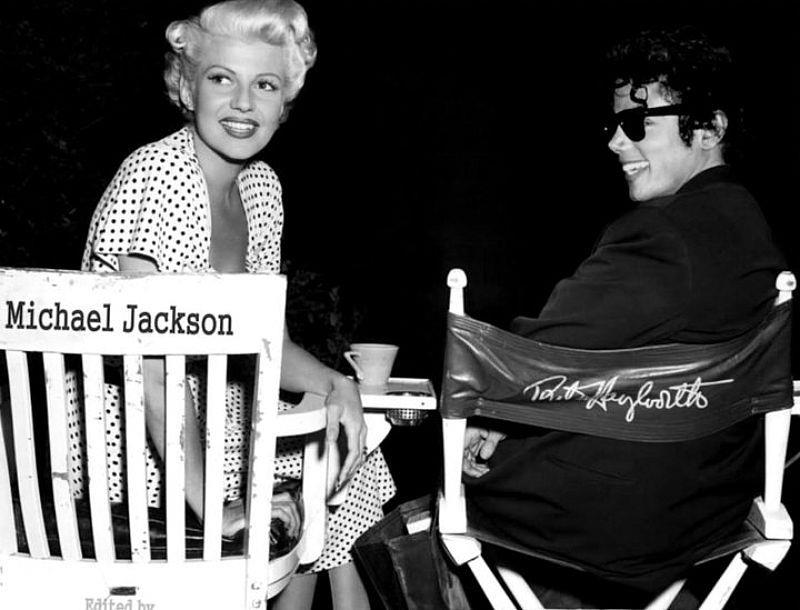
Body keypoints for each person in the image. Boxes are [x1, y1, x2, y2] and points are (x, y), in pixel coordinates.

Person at [77, 2, 395, 608]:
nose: (243, 103)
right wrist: (215, 505)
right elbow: (151, 370)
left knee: (343, 461)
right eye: (222, 78)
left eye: (265, 85)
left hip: (205, 421)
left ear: (284, 103)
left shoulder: (261, 189)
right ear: (187, 86)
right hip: (134, 453)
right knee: (312, 473)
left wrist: (337, 384)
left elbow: (266, 338)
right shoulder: (157, 174)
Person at [462, 25, 786, 605]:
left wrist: (485, 411)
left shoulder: (663, 234)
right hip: (706, 508)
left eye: (637, 123)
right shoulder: (747, 225)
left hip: (617, 519)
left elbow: (530, 358)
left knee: (415, 518)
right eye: (613, 125)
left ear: (709, 128)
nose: (615, 142)